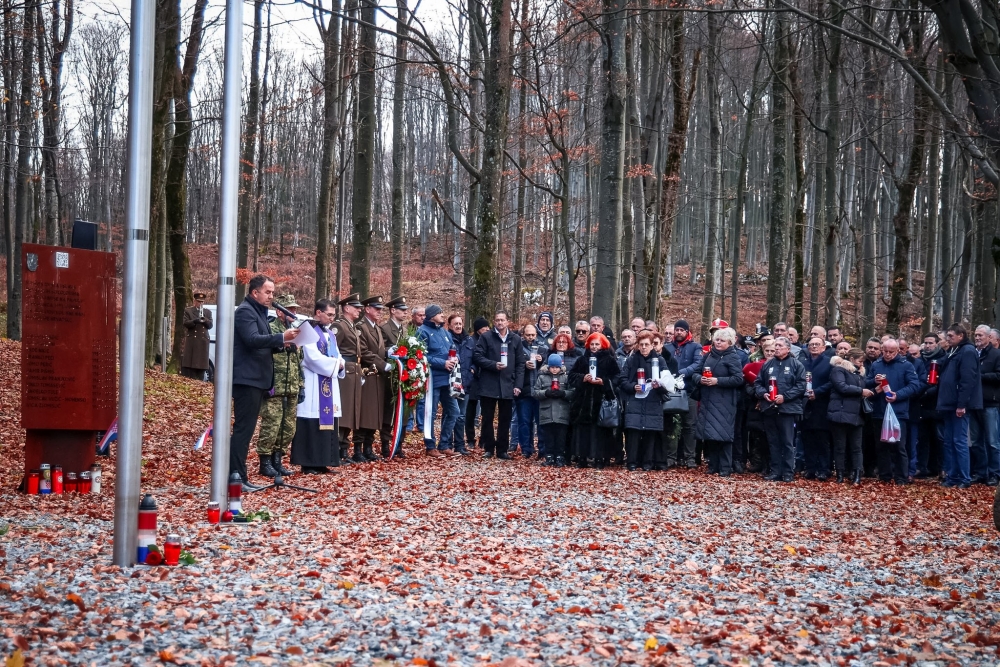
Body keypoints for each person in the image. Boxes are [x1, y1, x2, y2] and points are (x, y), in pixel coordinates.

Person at [230, 275, 298, 490]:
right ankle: (236, 478)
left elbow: (262, 343)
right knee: (243, 430)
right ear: (254, 292)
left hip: (258, 379)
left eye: (272, 292)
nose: (271, 296)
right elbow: (251, 340)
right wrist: (281, 337)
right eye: (267, 292)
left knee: (247, 430)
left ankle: (239, 476)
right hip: (247, 379)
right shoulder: (245, 312)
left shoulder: (258, 312)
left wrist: (283, 345)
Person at [292, 299, 345, 474]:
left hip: (329, 381)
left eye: (334, 315)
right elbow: (311, 358)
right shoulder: (308, 331)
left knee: (328, 423)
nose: (332, 318)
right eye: (329, 314)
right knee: (312, 422)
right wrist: (336, 364)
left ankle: (323, 461)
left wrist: (340, 363)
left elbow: (337, 354)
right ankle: (308, 463)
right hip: (314, 382)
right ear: (318, 313)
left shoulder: (330, 334)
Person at [257, 294, 303, 478]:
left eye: (294, 309)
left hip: (291, 386)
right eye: (289, 309)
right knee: (272, 425)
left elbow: (299, 362)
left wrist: (301, 385)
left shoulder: (296, 331)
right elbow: (264, 357)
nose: (293, 312)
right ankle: (265, 462)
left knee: (288, 427)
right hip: (275, 386)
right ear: (279, 311)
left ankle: (278, 460)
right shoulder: (271, 328)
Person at [866, 338, 921, 484]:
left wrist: (898, 395)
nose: (888, 354)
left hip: (898, 411)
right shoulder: (876, 364)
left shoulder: (906, 365)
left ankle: (901, 477)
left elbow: (915, 385)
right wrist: (874, 381)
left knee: (899, 445)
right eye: (885, 351)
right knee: (881, 445)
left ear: (898, 351)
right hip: (879, 410)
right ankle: (885, 475)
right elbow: (866, 382)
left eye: (891, 352)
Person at [691, 327, 745, 477]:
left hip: (725, 400)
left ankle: (725, 466)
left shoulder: (732, 357)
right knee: (710, 434)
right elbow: (695, 372)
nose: (718, 343)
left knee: (724, 435)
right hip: (708, 399)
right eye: (717, 340)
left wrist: (717, 381)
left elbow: (738, 379)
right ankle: (713, 465)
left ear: (729, 342)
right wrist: (700, 379)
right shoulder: (708, 355)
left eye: (722, 340)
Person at [473, 311, 525, 459]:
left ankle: (502, 449)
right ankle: (488, 448)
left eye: (502, 320)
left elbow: (520, 364)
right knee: (487, 418)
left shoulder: (515, 339)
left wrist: (518, 385)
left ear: (507, 322)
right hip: (488, 384)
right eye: (497, 320)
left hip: (508, 384)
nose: (500, 323)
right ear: (494, 322)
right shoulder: (486, 337)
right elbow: (477, 357)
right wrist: (493, 365)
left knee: (505, 419)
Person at [754, 337, 806, 482]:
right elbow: (757, 383)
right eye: (775, 345)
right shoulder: (767, 364)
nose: (776, 348)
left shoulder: (796, 365)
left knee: (787, 442)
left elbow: (801, 386)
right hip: (769, 408)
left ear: (788, 349)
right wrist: (763, 393)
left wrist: (785, 397)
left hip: (787, 409)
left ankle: (788, 472)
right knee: (773, 441)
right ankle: (775, 471)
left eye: (780, 346)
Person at [937, 324, 982, 488]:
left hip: (958, 404)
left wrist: (962, 404)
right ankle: (952, 476)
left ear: (960, 335)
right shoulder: (953, 351)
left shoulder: (968, 351)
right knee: (948, 441)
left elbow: (967, 380)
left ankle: (964, 478)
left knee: (959, 441)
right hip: (948, 403)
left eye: (950, 336)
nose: (948, 339)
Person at [619, 331, 670, 471]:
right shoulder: (631, 360)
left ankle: (648, 462)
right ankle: (632, 462)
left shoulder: (660, 361)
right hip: (635, 400)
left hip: (653, 401)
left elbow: (668, 382)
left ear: (652, 346)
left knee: (650, 433)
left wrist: (658, 385)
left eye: (647, 344)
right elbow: (622, 379)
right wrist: (632, 387)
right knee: (633, 433)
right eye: (641, 345)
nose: (644, 347)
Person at [568, 333, 619, 468]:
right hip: (583, 401)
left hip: (601, 400)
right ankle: (582, 457)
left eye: (597, 344)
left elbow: (617, 378)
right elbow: (571, 376)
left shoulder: (609, 360)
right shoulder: (582, 360)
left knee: (600, 431)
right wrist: (583, 378)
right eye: (592, 344)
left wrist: (605, 382)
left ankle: (600, 458)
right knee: (583, 431)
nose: (594, 347)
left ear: (602, 345)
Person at [418, 304, 460, 457]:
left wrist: (455, 358)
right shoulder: (422, 332)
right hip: (432, 380)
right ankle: (430, 446)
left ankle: (444, 444)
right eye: (439, 313)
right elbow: (421, 356)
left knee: (454, 411)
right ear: (431, 316)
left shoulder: (444, 332)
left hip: (447, 381)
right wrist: (442, 363)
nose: (443, 315)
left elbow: (453, 349)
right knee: (431, 413)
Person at [828, 350, 874, 484]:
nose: (862, 364)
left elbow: (863, 390)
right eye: (860, 361)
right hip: (840, 414)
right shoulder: (839, 371)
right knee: (840, 446)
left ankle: (857, 474)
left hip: (856, 415)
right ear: (852, 359)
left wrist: (875, 390)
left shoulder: (859, 374)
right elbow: (842, 387)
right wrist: (861, 391)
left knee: (856, 447)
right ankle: (840, 474)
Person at [356, 295, 391, 462]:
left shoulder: (376, 328)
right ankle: (358, 448)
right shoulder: (361, 327)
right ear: (367, 309)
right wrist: (383, 364)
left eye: (381, 309)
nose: (379, 312)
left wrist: (390, 354)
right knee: (365, 413)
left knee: (375, 413)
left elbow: (379, 350)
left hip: (378, 377)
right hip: (367, 373)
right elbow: (363, 351)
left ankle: (368, 447)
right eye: (376, 309)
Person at [665, 319, 702, 467]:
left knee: (690, 425)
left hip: (689, 390)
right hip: (670, 390)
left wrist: (681, 373)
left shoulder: (695, 347)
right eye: (677, 330)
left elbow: (698, 364)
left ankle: (690, 457)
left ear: (687, 332)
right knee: (671, 425)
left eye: (682, 330)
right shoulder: (667, 347)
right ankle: (670, 457)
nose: (679, 332)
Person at [334, 293, 365, 464]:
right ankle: (337, 449)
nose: (359, 310)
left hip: (354, 371)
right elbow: (333, 349)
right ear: (346, 308)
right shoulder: (339, 326)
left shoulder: (351, 326)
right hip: (343, 372)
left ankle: (344, 449)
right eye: (356, 307)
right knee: (343, 412)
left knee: (351, 412)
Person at [800, 336, 834, 480]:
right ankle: (811, 468)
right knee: (807, 438)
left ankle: (824, 469)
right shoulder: (803, 363)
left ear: (823, 347)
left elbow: (833, 382)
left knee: (822, 439)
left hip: (822, 405)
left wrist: (818, 392)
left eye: (817, 344)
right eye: (811, 344)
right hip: (806, 405)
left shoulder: (829, 363)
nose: (814, 347)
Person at [380, 295, 409, 458]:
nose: (405, 313)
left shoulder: (405, 330)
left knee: (404, 409)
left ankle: (399, 444)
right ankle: (386, 444)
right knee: (389, 410)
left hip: (405, 375)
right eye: (402, 310)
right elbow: (382, 350)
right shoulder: (385, 328)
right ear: (393, 311)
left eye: (405, 311)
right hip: (391, 375)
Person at [971, 325, 1000, 485]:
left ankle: (995, 473)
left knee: (992, 441)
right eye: (975, 335)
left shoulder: (996, 355)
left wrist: (979, 376)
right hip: (974, 403)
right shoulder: (973, 354)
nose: (977, 338)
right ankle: (980, 472)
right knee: (976, 441)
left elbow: (998, 375)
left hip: (990, 402)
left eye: (981, 335)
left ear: (989, 337)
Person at [533, 353, 574, 467]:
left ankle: (560, 456)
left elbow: (573, 392)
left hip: (562, 413)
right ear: (548, 367)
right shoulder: (542, 377)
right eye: (552, 367)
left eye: (556, 367)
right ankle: (549, 456)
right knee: (548, 437)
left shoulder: (566, 377)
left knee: (561, 437)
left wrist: (563, 393)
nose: (554, 369)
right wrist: (545, 393)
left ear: (560, 367)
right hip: (547, 413)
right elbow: (535, 392)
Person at [743, 338, 775, 473]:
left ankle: (771, 464)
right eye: (767, 350)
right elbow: (747, 382)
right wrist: (756, 392)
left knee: (771, 435)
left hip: (774, 403)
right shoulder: (756, 363)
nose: (769, 353)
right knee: (757, 435)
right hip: (756, 402)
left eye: (772, 351)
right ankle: (758, 462)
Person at [917, 333, 946, 478]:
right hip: (922, 403)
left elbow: (944, 382)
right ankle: (922, 467)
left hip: (936, 404)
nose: (927, 346)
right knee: (923, 438)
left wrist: (929, 392)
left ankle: (941, 468)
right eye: (926, 343)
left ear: (937, 343)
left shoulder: (944, 359)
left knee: (939, 438)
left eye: (930, 343)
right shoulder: (919, 360)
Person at [514, 323, 545, 459]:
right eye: (528, 335)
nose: (530, 337)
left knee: (541, 422)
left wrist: (541, 360)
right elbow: (513, 365)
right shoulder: (518, 348)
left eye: (533, 335)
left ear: (536, 335)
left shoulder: (543, 349)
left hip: (539, 391)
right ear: (523, 335)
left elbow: (549, 367)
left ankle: (542, 449)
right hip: (524, 390)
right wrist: (524, 363)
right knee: (524, 422)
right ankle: (526, 448)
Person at [461, 317, 490, 449]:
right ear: (479, 330)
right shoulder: (471, 341)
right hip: (473, 381)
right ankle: (470, 438)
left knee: (486, 412)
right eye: (484, 328)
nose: (487, 330)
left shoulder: (489, 340)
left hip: (486, 380)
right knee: (470, 412)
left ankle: (484, 438)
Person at [448, 314, 470, 455]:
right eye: (455, 323)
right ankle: (447, 444)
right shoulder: (446, 339)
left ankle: (460, 445)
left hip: (466, 381)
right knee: (450, 414)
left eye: (460, 323)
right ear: (449, 325)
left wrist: (473, 370)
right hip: (451, 382)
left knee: (462, 416)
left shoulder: (469, 340)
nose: (458, 326)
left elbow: (475, 357)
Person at [181, 291, 213, 380]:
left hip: (203, 342)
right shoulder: (189, 311)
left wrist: (205, 319)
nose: (200, 303)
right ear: (195, 301)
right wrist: (195, 321)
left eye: (202, 302)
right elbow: (186, 323)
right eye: (199, 301)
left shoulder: (207, 312)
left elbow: (210, 325)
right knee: (190, 367)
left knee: (201, 367)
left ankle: (200, 380)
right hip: (193, 341)